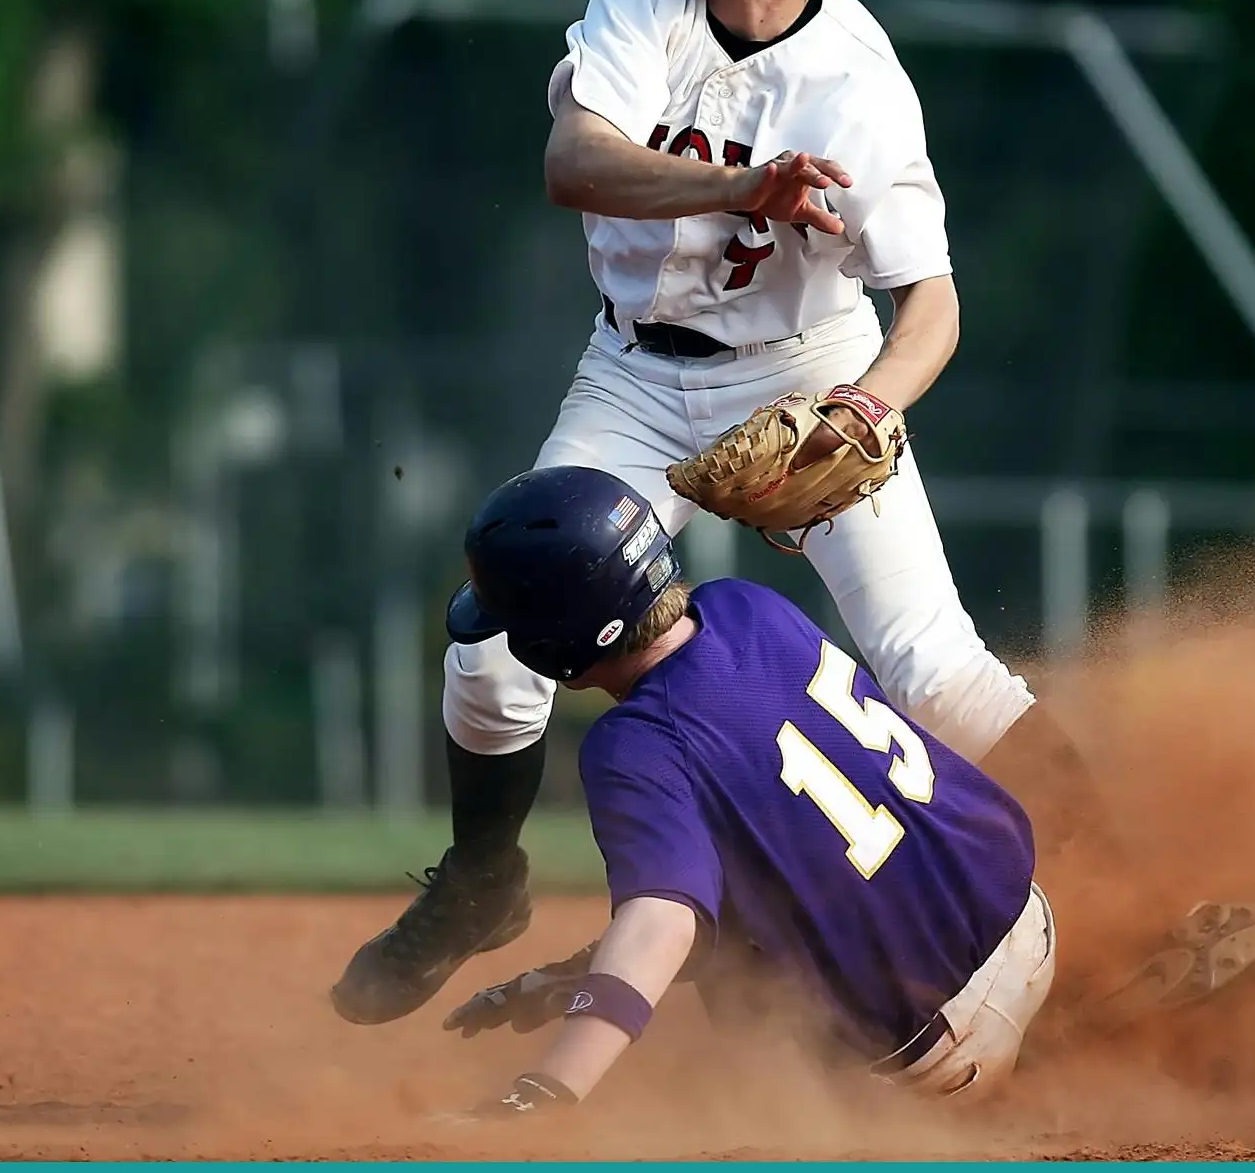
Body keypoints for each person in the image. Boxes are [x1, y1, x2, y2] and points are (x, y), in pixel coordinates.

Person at [330, 0, 1244, 1029]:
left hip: (804, 367)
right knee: (494, 647)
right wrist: (754, 186)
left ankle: (1155, 909)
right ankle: (483, 876)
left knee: (934, 666)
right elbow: (571, 164)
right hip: (633, 377)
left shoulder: (857, 82)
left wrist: (865, 411)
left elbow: (933, 309)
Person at [434, 466, 1056, 1113]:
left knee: (742, 1000)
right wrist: (570, 979)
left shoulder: (634, 743)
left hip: (939, 1051)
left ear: (551, 641)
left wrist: (546, 1092)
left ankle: (946, 1103)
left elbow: (664, 924)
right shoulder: (746, 606)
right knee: (750, 881)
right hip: (1030, 921)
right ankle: (1071, 1030)